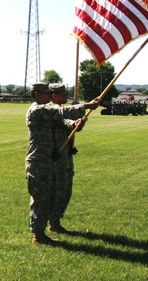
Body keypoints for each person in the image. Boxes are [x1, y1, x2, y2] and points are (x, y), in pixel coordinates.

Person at [25, 82, 97, 245]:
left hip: (51, 160)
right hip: (39, 161)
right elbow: (61, 111)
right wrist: (87, 105)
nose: (50, 96)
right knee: (41, 197)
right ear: (36, 94)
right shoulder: (37, 109)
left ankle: (50, 225)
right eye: (46, 93)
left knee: (53, 195)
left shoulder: (47, 111)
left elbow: (63, 122)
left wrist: (75, 123)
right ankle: (38, 234)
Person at [49, 83, 80, 233]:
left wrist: (78, 120)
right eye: (62, 94)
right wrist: (77, 111)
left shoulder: (63, 110)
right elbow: (62, 120)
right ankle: (52, 222)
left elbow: (73, 126)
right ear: (53, 95)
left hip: (66, 154)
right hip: (56, 156)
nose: (66, 96)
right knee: (57, 190)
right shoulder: (50, 109)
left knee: (66, 190)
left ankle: (56, 220)